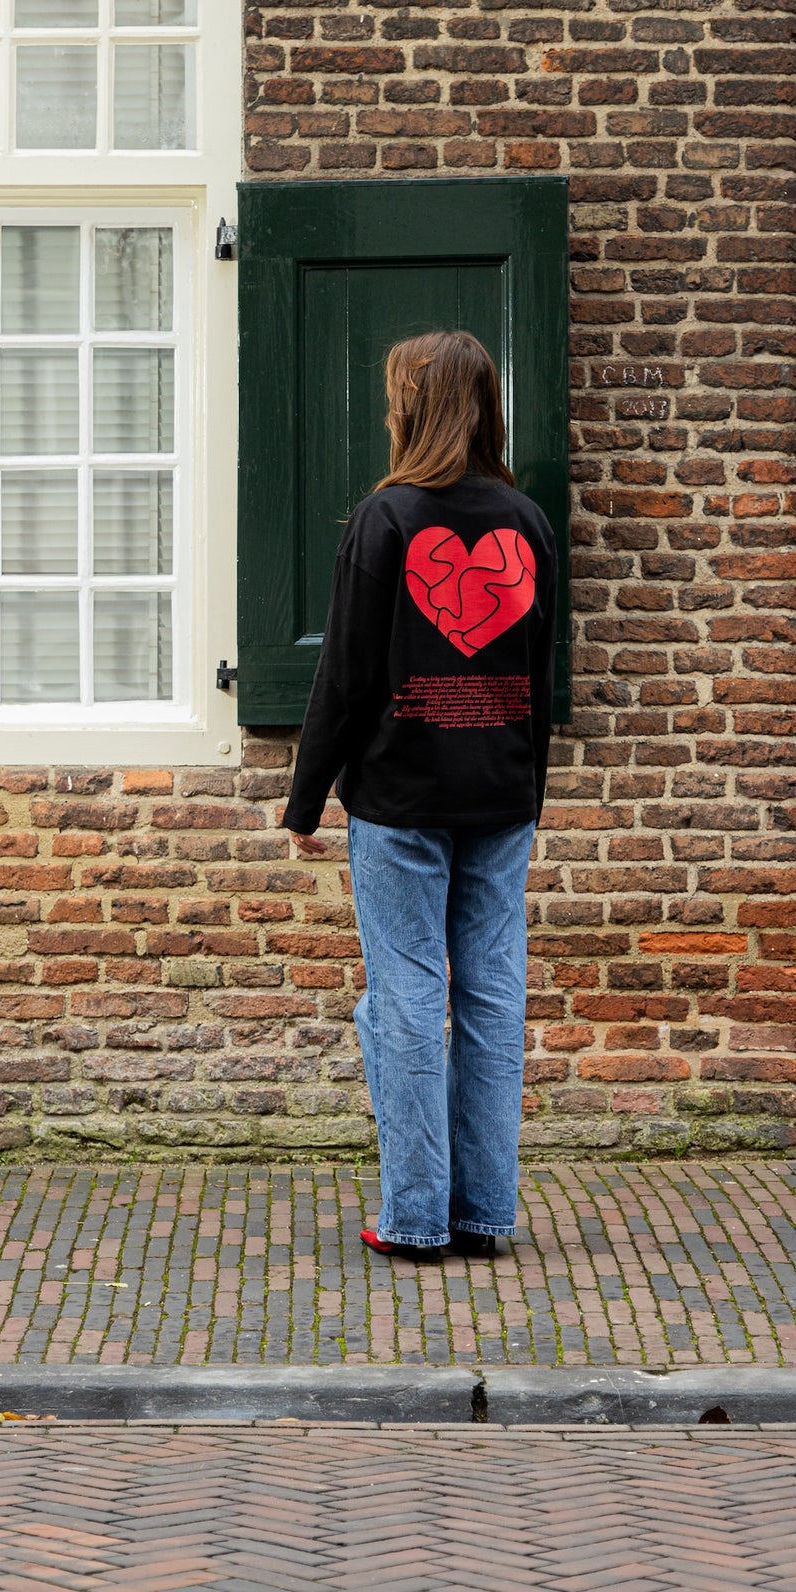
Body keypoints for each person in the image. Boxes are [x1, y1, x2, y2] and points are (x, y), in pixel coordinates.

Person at [282, 330, 558, 1262]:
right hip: (501, 796)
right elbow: (539, 676)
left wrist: (305, 801)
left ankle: (414, 1217)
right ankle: (484, 1213)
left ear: (417, 407)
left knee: (403, 999)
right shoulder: (528, 522)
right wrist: (533, 789)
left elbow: (346, 679)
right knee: (490, 997)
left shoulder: (387, 518)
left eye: (397, 394)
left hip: (399, 801)